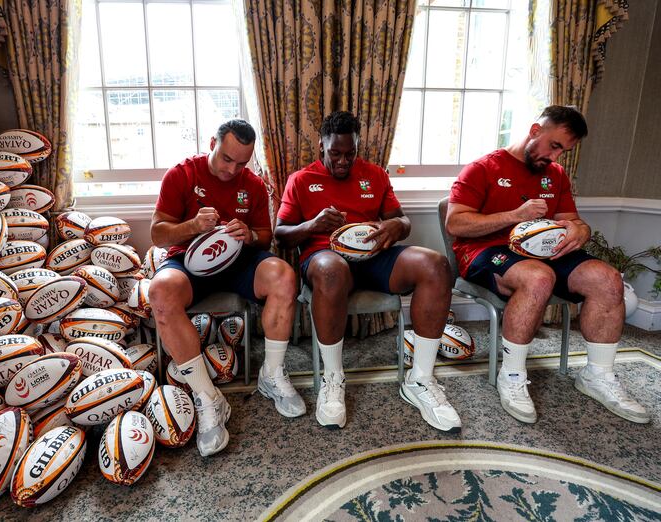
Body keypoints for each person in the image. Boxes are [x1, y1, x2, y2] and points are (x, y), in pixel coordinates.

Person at [446, 105, 649, 424]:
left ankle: (598, 374)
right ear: (535, 130)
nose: (556, 158)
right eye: (555, 146)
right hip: (485, 250)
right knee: (538, 278)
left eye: (564, 152)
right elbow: (456, 224)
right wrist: (516, 215)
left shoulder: (555, 175)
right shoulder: (482, 168)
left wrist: (580, 229)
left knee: (607, 279)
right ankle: (511, 377)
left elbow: (571, 220)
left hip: (544, 249)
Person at [275, 111, 460, 432]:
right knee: (332, 270)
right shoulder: (302, 180)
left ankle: (421, 380)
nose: (343, 161)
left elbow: (402, 221)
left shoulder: (374, 175)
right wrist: (312, 224)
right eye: (335, 153)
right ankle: (333, 380)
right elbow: (280, 234)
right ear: (321, 146)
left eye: (350, 153)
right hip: (324, 258)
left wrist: (394, 226)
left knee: (435, 265)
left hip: (374, 257)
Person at [149, 119, 306, 457]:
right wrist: (191, 225)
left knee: (285, 275)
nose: (231, 169)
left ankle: (272, 374)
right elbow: (157, 234)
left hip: (239, 262)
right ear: (211, 144)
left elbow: (266, 236)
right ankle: (208, 399)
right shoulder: (182, 174)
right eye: (226, 159)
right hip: (188, 263)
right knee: (160, 292)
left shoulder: (252, 183)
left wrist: (249, 234)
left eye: (241, 163)